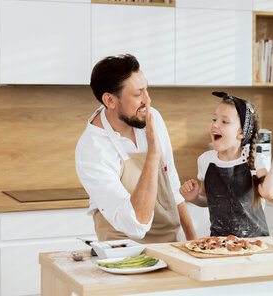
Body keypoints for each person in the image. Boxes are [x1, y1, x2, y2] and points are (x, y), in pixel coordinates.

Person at [75, 54, 196, 242]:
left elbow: (171, 183)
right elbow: (135, 225)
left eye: (146, 90)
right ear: (110, 101)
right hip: (124, 252)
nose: (148, 101)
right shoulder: (93, 149)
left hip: (169, 243)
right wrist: (153, 155)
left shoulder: (151, 117)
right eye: (138, 94)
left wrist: (191, 239)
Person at [179, 91, 273, 237]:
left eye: (224, 122)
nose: (215, 125)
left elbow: (268, 192)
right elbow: (207, 198)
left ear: (241, 133)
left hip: (255, 245)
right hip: (218, 244)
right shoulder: (205, 160)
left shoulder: (256, 159)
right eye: (214, 119)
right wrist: (193, 198)